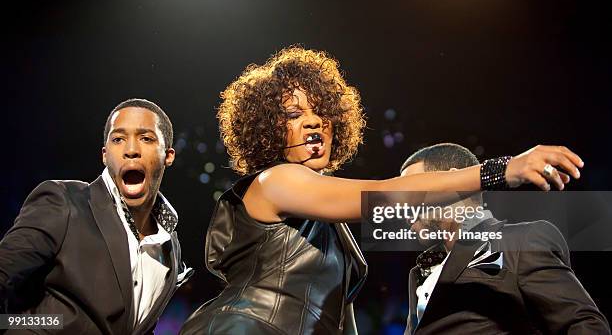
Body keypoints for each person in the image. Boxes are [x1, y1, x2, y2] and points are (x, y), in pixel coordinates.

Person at [180, 46, 583, 335]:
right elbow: (385, 193)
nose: (314, 123)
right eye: (293, 114)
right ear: (268, 128)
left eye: (323, 113)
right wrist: (499, 170)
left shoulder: (325, 220)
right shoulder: (275, 180)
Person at [0, 99, 192, 334]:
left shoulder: (170, 246)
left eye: (146, 138)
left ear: (168, 155)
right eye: (118, 139)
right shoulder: (64, 201)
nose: (131, 149)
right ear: (105, 154)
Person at [400, 143, 610, 334]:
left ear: (454, 184)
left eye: (413, 191)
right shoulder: (418, 274)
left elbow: (586, 325)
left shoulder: (519, 243)